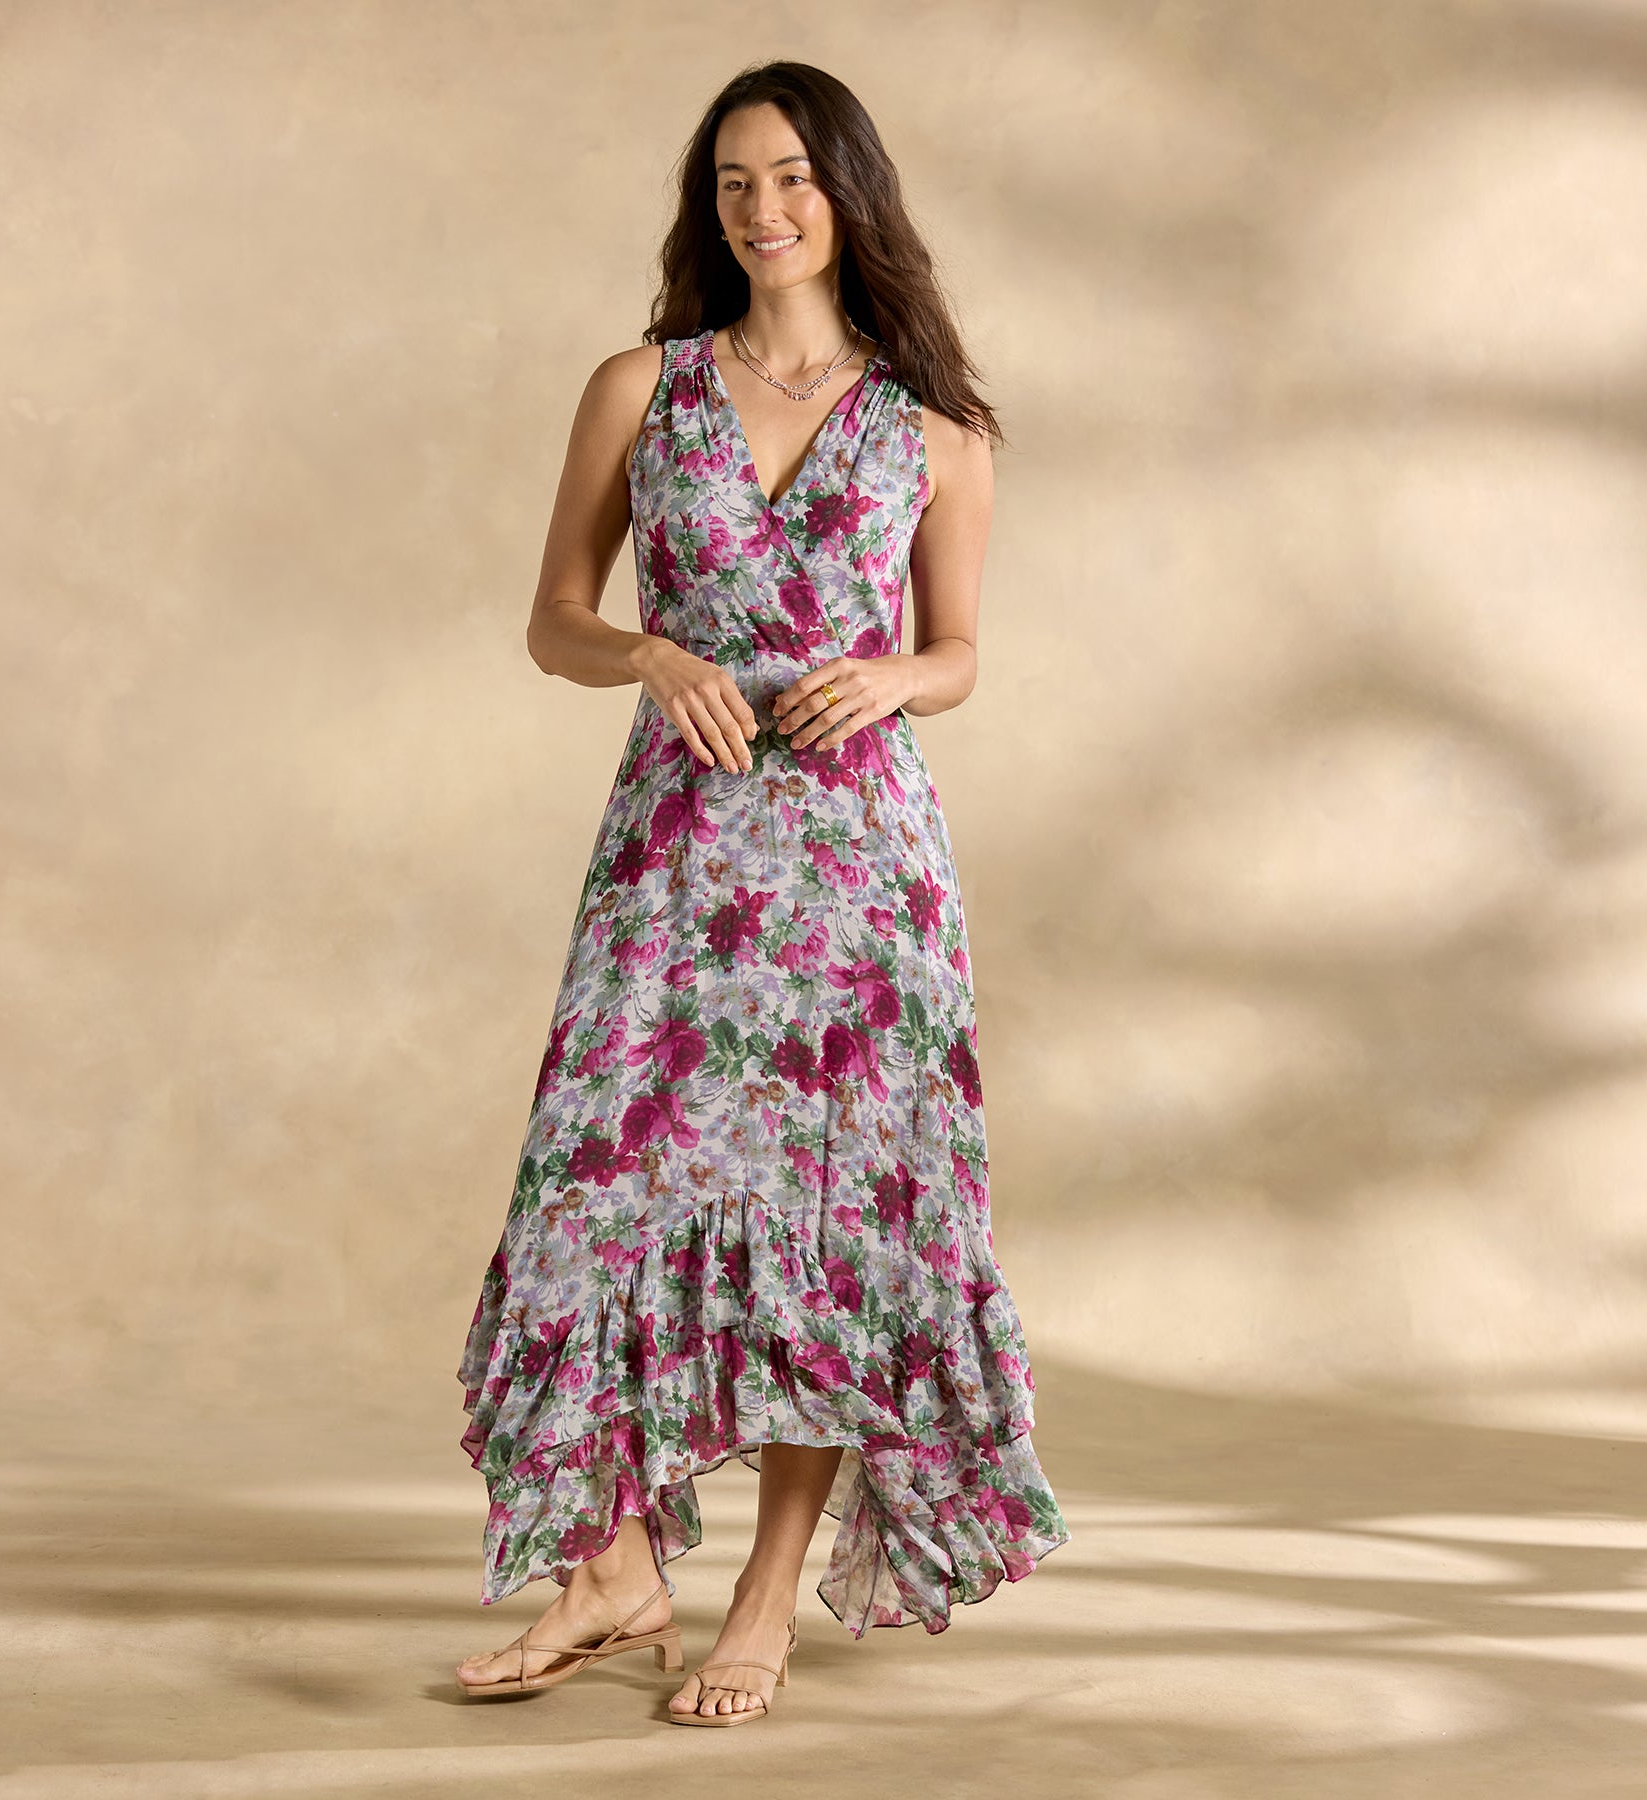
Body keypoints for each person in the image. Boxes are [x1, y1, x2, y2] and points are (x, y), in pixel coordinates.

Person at [454, 59, 1068, 1727]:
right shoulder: (639, 389)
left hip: (861, 871)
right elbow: (553, 618)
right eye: (733, 182)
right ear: (706, 205)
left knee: (836, 1225)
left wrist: (898, 678)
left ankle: (766, 1597)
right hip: (677, 849)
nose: (764, 208)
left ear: (848, 192)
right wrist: (650, 655)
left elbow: (958, 650)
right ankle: (610, 1570)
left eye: (792, 175)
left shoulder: (936, 429)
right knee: (596, 1188)